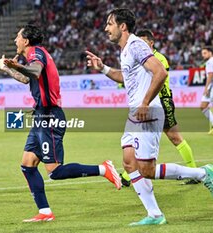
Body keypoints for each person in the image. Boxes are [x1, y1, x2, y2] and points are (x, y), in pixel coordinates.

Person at [85, 8, 213, 226]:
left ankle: (203, 173)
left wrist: (145, 103)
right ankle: (155, 215)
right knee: (128, 161)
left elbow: (160, 72)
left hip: (148, 113)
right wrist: (103, 68)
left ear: (122, 26)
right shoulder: (125, 50)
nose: (106, 28)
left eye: (110, 23)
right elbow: (126, 78)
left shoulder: (135, 45)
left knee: (147, 169)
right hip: (135, 114)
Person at [0, 24, 121, 222]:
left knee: (55, 172)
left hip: (50, 116)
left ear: (26, 40)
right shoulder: (32, 56)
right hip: (40, 117)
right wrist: (6, 67)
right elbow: (27, 79)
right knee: (27, 164)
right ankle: (45, 212)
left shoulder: (37, 53)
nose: (15, 41)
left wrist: (14, 65)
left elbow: (33, 71)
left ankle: (103, 169)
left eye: (17, 37)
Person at [120, 29, 199, 186]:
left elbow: (158, 78)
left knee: (175, 137)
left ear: (151, 42)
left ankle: (195, 172)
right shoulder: (137, 57)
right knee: (138, 139)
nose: (140, 45)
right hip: (146, 103)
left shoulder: (158, 58)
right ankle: (127, 175)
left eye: (144, 42)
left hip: (162, 101)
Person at [200, 46, 213, 134]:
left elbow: (210, 75)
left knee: (203, 106)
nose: (203, 55)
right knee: (203, 106)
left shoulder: (210, 61)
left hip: (211, 86)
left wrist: (206, 88)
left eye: (205, 53)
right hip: (211, 86)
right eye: (202, 54)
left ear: (210, 53)